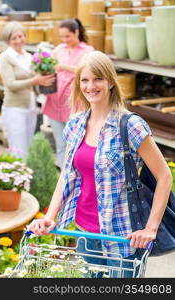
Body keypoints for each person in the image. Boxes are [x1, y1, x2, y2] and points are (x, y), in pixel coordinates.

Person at [28, 51, 172, 278]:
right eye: (84, 80)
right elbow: (67, 175)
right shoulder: (75, 124)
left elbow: (164, 176)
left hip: (124, 236)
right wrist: (50, 216)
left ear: (110, 82)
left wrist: (150, 228)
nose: (91, 86)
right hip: (86, 232)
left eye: (98, 79)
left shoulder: (130, 126)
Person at [0, 21, 55, 159]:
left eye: (20, 36)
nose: (18, 40)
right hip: (15, 109)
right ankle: (16, 179)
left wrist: (44, 82)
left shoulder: (28, 56)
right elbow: (10, 84)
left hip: (31, 107)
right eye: (14, 38)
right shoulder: (5, 57)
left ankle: (26, 180)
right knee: (18, 151)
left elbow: (34, 83)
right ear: (8, 40)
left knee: (28, 148)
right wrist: (34, 80)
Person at [42, 18, 94, 168]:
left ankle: (76, 178)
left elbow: (87, 70)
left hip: (75, 105)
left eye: (68, 36)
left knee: (76, 145)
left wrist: (63, 66)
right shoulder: (59, 49)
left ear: (76, 32)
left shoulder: (88, 51)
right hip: (55, 103)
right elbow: (49, 68)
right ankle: (62, 182)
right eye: (62, 37)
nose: (65, 40)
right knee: (61, 145)